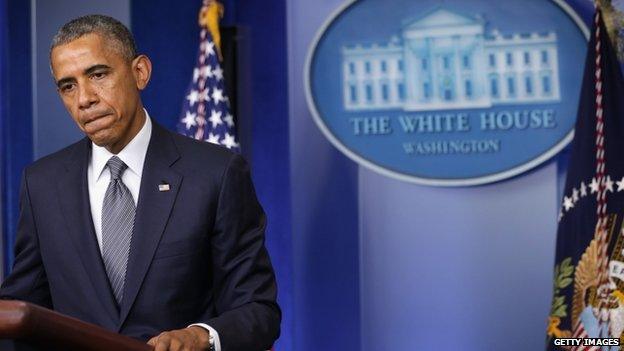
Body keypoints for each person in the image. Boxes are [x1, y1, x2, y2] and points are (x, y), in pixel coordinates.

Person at [0, 14, 280, 351]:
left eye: (98, 74)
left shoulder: (215, 173)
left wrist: (201, 335)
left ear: (140, 73)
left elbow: (258, 311)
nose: (84, 98)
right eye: (68, 86)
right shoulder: (41, 183)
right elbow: (21, 308)